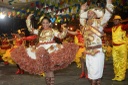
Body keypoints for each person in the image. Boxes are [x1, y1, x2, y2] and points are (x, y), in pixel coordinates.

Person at [10, 14, 78, 85]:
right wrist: (28, 19)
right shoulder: (39, 31)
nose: (45, 24)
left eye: (46, 23)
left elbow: (61, 36)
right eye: (43, 23)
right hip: (40, 51)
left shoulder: (52, 30)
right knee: (46, 70)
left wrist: (65, 29)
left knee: (50, 69)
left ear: (49, 23)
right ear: (41, 24)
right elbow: (30, 29)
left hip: (50, 49)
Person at [79, 0, 114, 84]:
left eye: (92, 13)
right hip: (88, 52)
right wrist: (82, 9)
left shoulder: (99, 23)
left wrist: (109, 3)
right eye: (88, 13)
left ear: (95, 15)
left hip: (97, 52)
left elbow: (107, 15)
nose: (89, 14)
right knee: (92, 76)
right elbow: (81, 20)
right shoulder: (85, 26)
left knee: (95, 76)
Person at [104, 15, 128, 81]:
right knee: (115, 62)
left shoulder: (122, 27)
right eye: (114, 20)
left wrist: (125, 20)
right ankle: (117, 75)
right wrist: (102, 25)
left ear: (120, 21)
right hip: (115, 47)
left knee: (122, 62)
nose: (115, 21)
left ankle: (121, 76)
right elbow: (105, 30)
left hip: (122, 47)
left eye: (117, 20)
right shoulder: (112, 28)